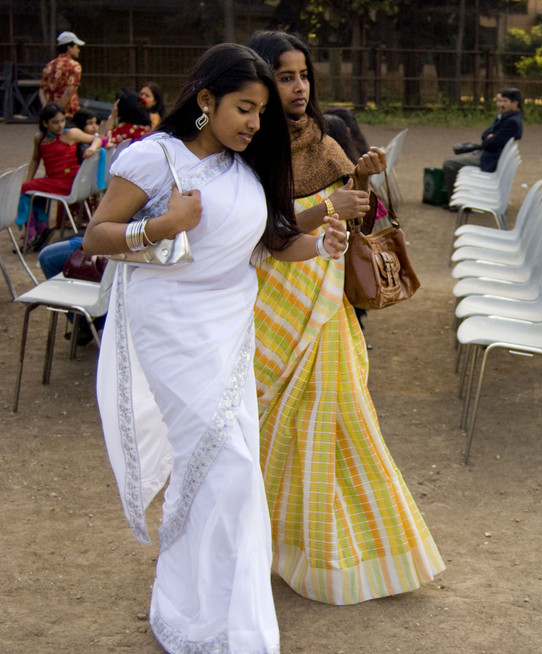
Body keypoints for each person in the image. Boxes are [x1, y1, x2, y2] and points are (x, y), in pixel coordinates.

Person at [83, 43, 348, 653]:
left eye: (261, 113)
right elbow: (98, 235)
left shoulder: (247, 163)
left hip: (229, 329)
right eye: (244, 108)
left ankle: (206, 613)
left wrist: (326, 244)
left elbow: (270, 244)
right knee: (225, 468)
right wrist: (162, 225)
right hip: (172, 327)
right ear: (206, 100)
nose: (255, 123)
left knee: (223, 473)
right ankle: (218, 622)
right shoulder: (155, 157)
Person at [245, 30, 445, 606]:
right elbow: (262, 228)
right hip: (277, 295)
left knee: (342, 416)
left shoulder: (322, 137)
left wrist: (362, 178)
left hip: (329, 296)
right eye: (285, 76)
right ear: (261, 81)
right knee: (276, 422)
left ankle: (358, 553)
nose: (299, 86)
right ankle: (277, 542)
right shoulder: (253, 144)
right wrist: (332, 205)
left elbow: (359, 221)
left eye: (303, 74)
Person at [16, 102, 102, 250]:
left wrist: (93, 148)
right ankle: (42, 228)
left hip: (69, 182)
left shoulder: (69, 134)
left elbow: (97, 138)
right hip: (53, 181)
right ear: (45, 123)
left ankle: (31, 231)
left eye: (62, 120)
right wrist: (29, 179)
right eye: (55, 122)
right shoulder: (40, 138)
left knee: (26, 189)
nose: (60, 125)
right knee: (29, 189)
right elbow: (35, 159)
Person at [440, 88, 523, 199]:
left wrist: (489, 138)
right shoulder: (508, 117)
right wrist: (489, 138)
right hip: (489, 153)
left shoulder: (512, 121)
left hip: (490, 158)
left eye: (504, 101)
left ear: (515, 103)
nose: (500, 104)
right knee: (458, 149)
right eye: (499, 101)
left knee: (449, 163)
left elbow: (489, 143)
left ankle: (456, 201)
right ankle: (462, 197)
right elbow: (485, 134)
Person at [39, 31, 84, 116]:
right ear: (69, 47)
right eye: (76, 47)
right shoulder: (74, 66)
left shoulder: (49, 65)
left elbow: (41, 90)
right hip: (67, 113)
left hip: (49, 113)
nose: (78, 50)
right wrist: (58, 111)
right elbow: (69, 92)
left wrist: (47, 109)